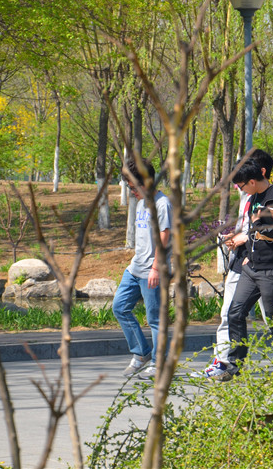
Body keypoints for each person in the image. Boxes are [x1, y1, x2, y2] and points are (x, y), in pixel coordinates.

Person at [195, 149, 273, 381]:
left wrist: (255, 233)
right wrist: (249, 248)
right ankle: (235, 364)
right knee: (235, 313)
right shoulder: (254, 198)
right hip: (250, 267)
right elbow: (255, 231)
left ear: (253, 179)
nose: (240, 190)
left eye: (242, 185)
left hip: (272, 269)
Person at [113, 157, 172, 379]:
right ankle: (141, 354)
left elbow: (164, 236)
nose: (131, 191)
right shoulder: (139, 203)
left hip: (153, 270)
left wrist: (156, 268)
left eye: (133, 186)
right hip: (135, 268)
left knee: (155, 318)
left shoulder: (162, 204)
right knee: (119, 307)